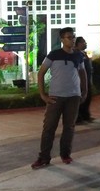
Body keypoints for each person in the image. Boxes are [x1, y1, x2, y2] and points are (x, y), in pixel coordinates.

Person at [31, 27, 87, 169]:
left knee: (69, 127)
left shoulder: (78, 55)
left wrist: (84, 90)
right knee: (49, 127)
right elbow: (41, 73)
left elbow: (83, 72)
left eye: (73, 37)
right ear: (62, 39)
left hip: (73, 96)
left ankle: (65, 154)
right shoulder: (54, 55)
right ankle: (44, 157)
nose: (72, 40)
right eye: (69, 37)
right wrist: (43, 94)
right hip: (55, 97)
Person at [75, 36, 94, 124]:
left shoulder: (84, 54)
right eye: (83, 42)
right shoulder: (76, 54)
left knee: (87, 98)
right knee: (81, 100)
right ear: (78, 44)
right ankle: (78, 118)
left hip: (87, 80)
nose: (85, 44)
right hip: (80, 81)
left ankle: (86, 116)